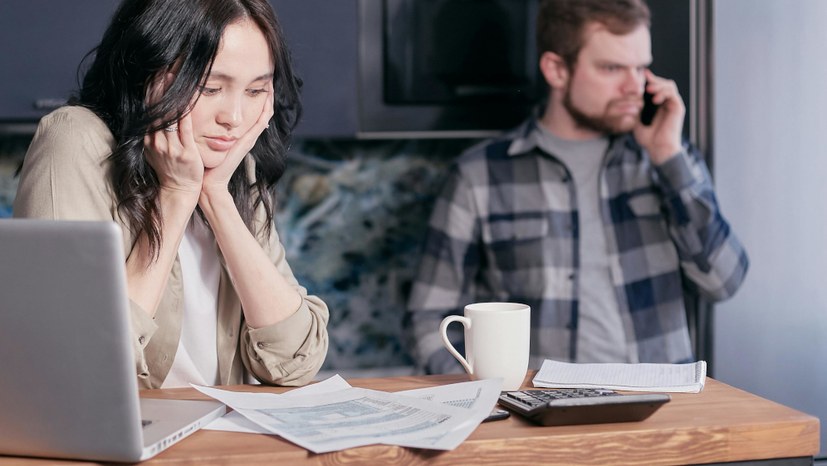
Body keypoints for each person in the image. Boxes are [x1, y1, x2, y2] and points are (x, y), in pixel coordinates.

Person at [406, 0, 748, 374]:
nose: (634, 86)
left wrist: (668, 156)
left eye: (641, 67)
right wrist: (483, 398)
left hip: (661, 414)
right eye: (612, 68)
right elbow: (429, 317)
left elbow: (722, 282)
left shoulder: (667, 160)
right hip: (538, 419)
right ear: (556, 70)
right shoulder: (480, 176)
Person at [13, 0, 329, 388]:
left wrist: (215, 196)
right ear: (148, 73)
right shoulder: (75, 141)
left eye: (255, 91)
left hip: (218, 438)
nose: (233, 117)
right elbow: (74, 367)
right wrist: (176, 194)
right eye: (211, 88)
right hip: (123, 443)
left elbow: (296, 360)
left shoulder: (231, 164)